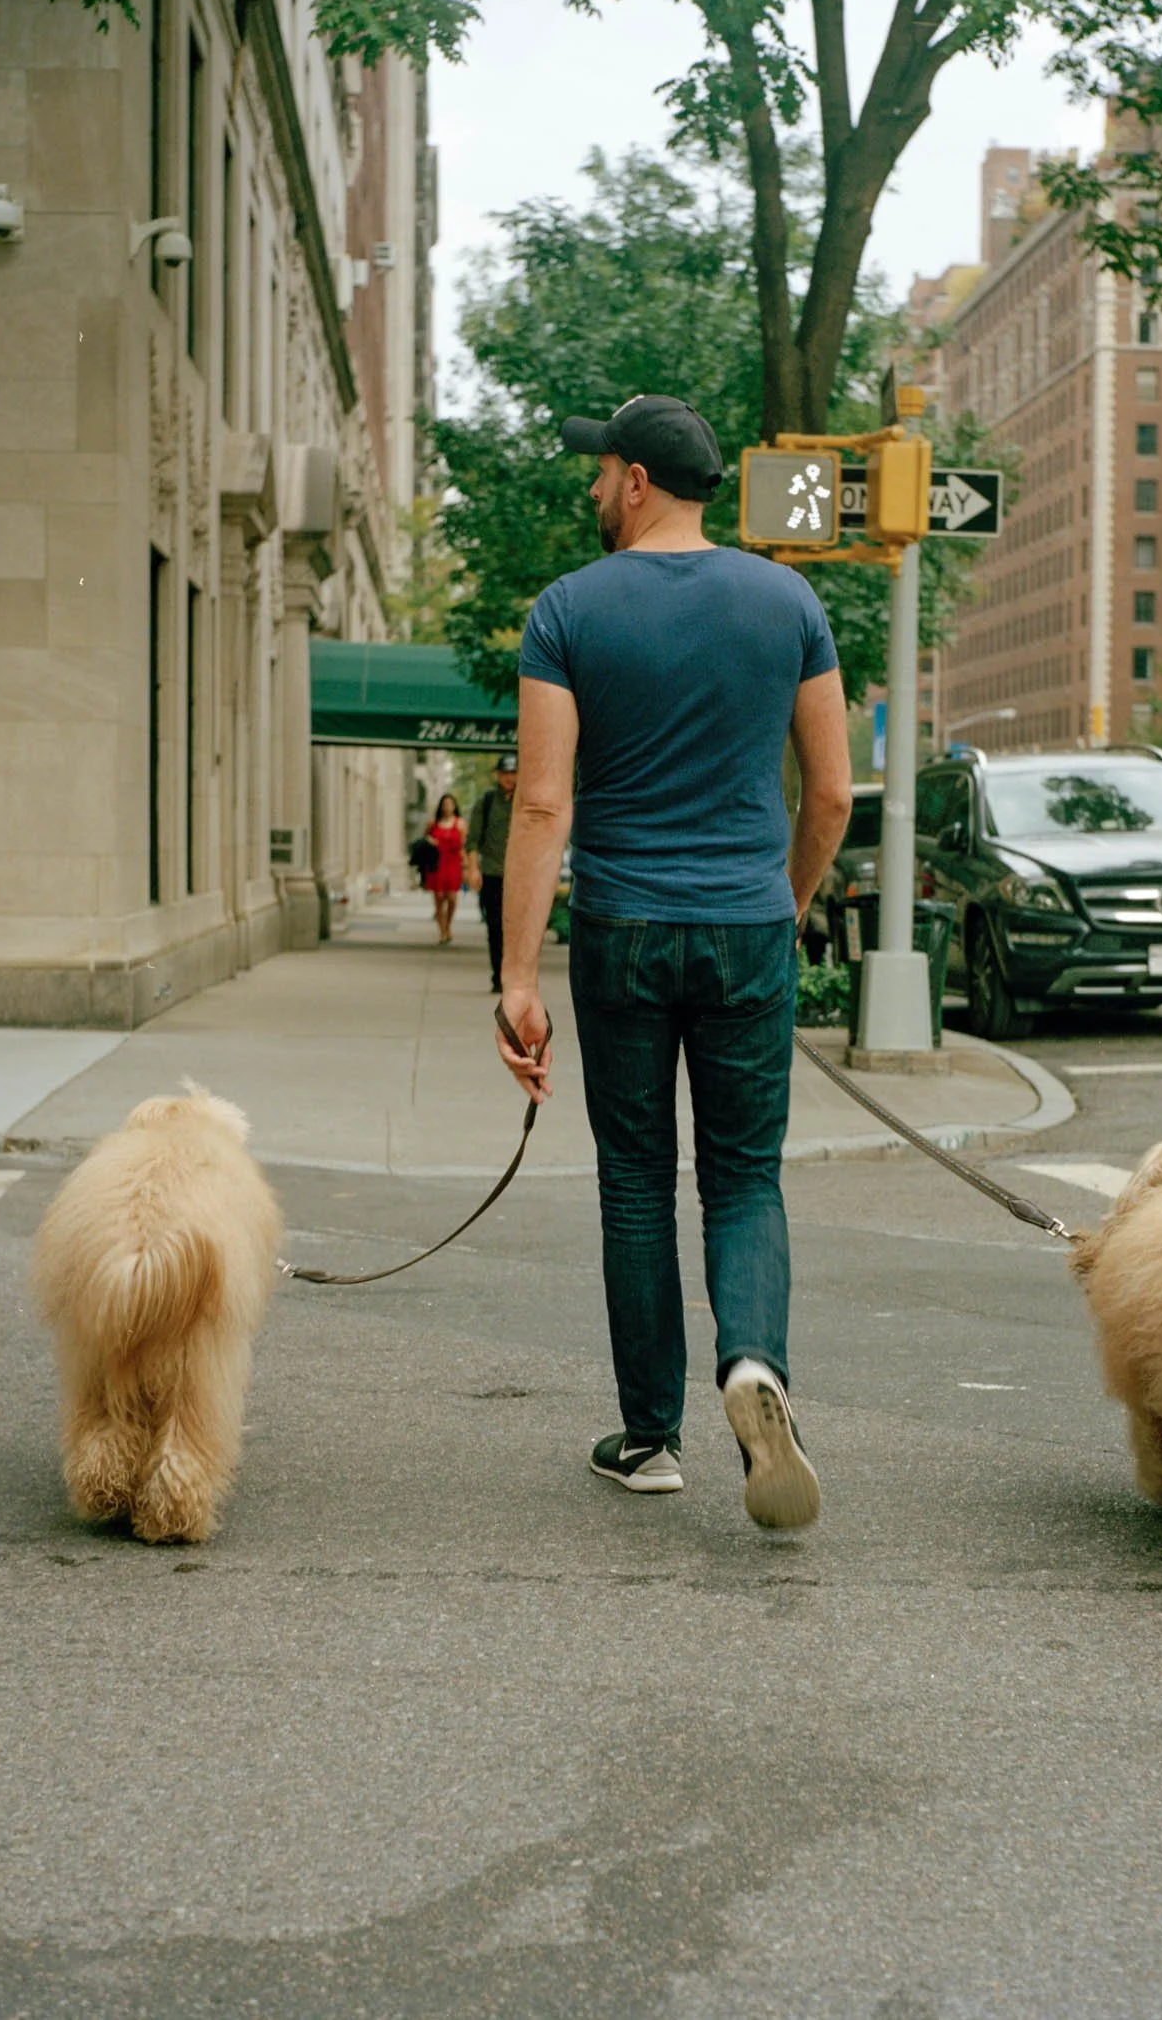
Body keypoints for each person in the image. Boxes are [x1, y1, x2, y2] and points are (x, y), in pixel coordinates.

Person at [491, 394, 852, 1530]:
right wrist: (782, 903)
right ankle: (754, 1366)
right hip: (746, 925)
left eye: (601, 473)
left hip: (624, 928)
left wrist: (515, 978)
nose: (593, 491)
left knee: (638, 1181)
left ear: (637, 479)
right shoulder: (788, 600)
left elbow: (544, 802)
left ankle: (648, 1437)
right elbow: (832, 792)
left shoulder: (566, 611)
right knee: (744, 1175)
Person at [466, 754, 518, 993]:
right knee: (495, 927)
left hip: (521, 876)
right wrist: (473, 869)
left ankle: (517, 977)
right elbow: (472, 840)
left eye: (514, 773)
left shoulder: (527, 801)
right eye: (506, 773)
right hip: (493, 874)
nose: (510, 778)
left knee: (519, 930)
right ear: (498, 775)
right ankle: (498, 976)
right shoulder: (487, 802)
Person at [426, 793, 465, 944]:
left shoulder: (460, 823)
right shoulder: (433, 823)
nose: (447, 807)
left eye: (450, 804)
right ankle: (442, 931)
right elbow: (425, 839)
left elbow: (464, 845)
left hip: (453, 862)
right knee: (439, 897)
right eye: (445, 804)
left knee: (452, 898)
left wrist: (467, 865)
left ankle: (448, 925)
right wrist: (431, 840)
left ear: (454, 806)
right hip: (437, 863)